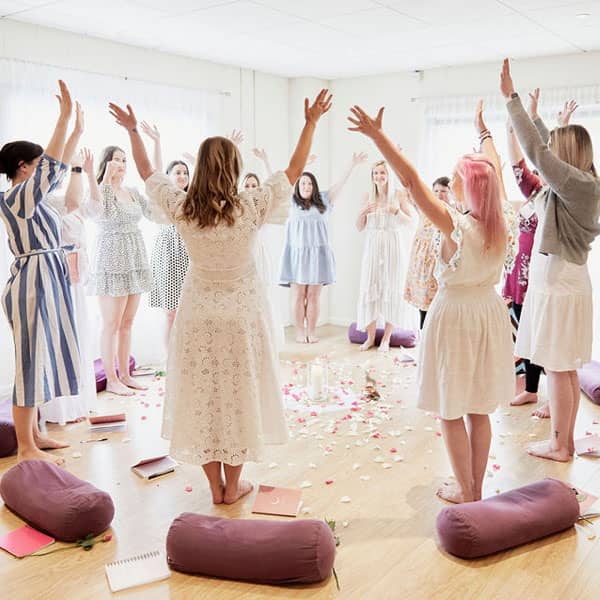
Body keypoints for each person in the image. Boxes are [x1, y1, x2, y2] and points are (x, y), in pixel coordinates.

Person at [109, 89, 331, 504]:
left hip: (197, 314)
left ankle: (216, 489)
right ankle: (235, 485)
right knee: (237, 393)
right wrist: (311, 123)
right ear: (233, 168)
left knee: (205, 396)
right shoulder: (249, 205)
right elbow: (294, 168)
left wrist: (132, 130)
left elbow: (146, 170)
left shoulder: (183, 207)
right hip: (241, 315)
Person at [348, 102, 514, 503]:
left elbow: (410, 178)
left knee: (452, 408)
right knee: (478, 408)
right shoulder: (501, 218)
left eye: (457, 178)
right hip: (489, 314)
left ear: (467, 187)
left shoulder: (454, 224)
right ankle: (472, 487)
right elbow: (494, 168)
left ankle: (468, 489)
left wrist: (378, 137)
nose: (453, 183)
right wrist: (483, 133)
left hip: (456, 315)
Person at [501, 58, 600, 462]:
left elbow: (541, 155)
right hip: (559, 279)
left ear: (568, 156)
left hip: (560, 282)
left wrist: (512, 99)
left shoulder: (578, 186)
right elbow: (548, 150)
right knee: (561, 369)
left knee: (560, 369)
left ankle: (561, 444)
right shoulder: (580, 183)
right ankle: (564, 441)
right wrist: (540, 119)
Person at [0, 81, 80, 463]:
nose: (45, 174)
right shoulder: (17, 196)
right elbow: (51, 167)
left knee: (40, 359)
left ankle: (35, 436)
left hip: (43, 277)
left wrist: (75, 132)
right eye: (36, 166)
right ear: (22, 168)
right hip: (31, 282)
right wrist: (63, 120)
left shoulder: (33, 195)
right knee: (29, 364)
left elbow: (55, 169)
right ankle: (26, 447)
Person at [505, 100, 578, 418]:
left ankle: (553, 398)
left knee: (549, 342)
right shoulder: (536, 194)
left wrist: (559, 126)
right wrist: (511, 133)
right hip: (522, 274)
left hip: (549, 278)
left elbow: (554, 158)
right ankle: (532, 391)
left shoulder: (563, 198)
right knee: (530, 337)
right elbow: (518, 168)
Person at [87, 144, 155, 396]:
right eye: (116, 159)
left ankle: (126, 374)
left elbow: (155, 213)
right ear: (107, 163)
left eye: (124, 160)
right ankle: (112, 378)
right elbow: (103, 213)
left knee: (127, 322)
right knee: (111, 323)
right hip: (111, 257)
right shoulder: (98, 189)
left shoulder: (133, 192)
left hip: (134, 256)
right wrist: (105, 177)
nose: (122, 164)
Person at [279, 153, 367, 343]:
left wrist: (352, 165)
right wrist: (301, 167)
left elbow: (340, 184)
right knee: (298, 294)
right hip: (297, 255)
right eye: (303, 183)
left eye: (310, 183)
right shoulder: (291, 202)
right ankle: (300, 332)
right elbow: (281, 184)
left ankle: (311, 331)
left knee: (313, 295)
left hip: (318, 255)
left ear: (314, 187)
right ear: (297, 186)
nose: (306, 186)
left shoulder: (324, 200)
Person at [40, 145, 97, 425]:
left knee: (77, 335)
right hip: (56, 273)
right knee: (60, 337)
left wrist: (82, 170)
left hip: (74, 274)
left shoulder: (63, 200)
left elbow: (83, 204)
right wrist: (76, 167)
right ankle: (59, 407)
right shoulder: (45, 202)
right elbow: (74, 202)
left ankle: (78, 401)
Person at [142, 120, 191, 353]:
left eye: (185, 173)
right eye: (177, 172)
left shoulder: (194, 199)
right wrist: (157, 142)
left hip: (192, 255)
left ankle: (187, 355)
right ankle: (170, 357)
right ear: (169, 177)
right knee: (170, 311)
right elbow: (155, 173)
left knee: (190, 310)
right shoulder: (165, 198)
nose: (181, 176)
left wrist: (196, 163)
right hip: (168, 254)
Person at [356, 159, 414, 351]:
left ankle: (387, 338)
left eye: (382, 173)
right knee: (370, 287)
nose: (379, 177)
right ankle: (370, 337)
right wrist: (362, 213)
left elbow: (410, 222)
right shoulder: (367, 196)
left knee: (391, 287)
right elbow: (359, 227)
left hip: (392, 246)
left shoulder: (398, 195)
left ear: (388, 175)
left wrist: (396, 211)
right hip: (373, 247)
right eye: (375, 173)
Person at [404, 176, 451, 329]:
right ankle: (423, 337)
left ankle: (435, 338)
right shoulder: (425, 207)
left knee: (439, 303)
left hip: (440, 262)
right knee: (423, 302)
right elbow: (408, 190)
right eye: (436, 190)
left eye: (443, 191)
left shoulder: (453, 210)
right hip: (421, 262)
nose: (439, 194)